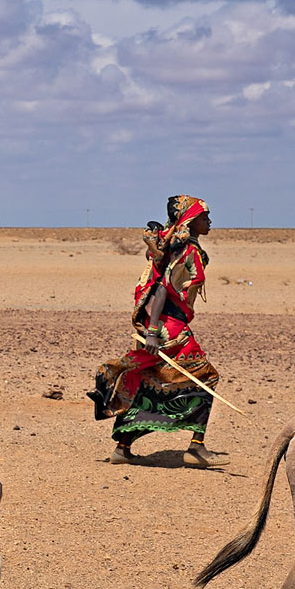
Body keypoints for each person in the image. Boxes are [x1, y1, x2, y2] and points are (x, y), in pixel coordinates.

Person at [89, 195, 225, 467]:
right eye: (204, 217)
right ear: (190, 220)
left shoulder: (182, 247)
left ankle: (122, 448)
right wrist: (152, 332)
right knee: (206, 378)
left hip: (163, 325)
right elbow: (162, 288)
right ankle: (196, 447)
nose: (209, 222)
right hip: (168, 329)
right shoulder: (186, 251)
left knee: (150, 383)